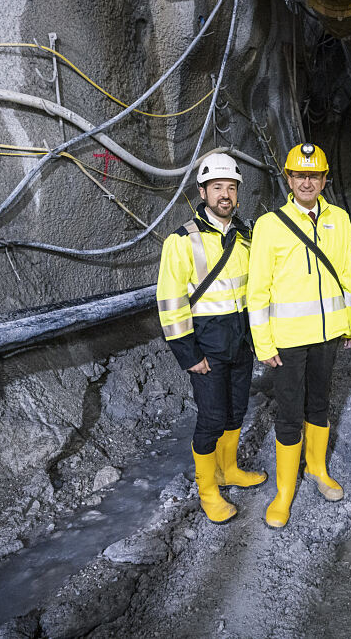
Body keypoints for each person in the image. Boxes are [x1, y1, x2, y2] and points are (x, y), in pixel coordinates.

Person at [247, 142, 351, 528]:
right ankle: (284, 491)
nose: (306, 182)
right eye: (299, 175)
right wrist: (263, 342)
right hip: (288, 339)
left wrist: (350, 323)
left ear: (324, 179)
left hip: (327, 335)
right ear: (288, 179)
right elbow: (257, 290)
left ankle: (317, 470)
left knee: (319, 405)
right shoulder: (269, 225)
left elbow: (348, 274)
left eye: (314, 175)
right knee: (290, 412)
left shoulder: (339, 220)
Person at [156, 152, 265, 524]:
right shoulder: (182, 240)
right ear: (202, 192)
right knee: (212, 418)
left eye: (231, 188)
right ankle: (208, 492)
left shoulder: (246, 236)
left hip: (240, 341)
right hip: (206, 345)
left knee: (236, 412)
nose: (225, 194)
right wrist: (188, 354)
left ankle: (228, 469)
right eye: (217, 187)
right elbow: (171, 304)